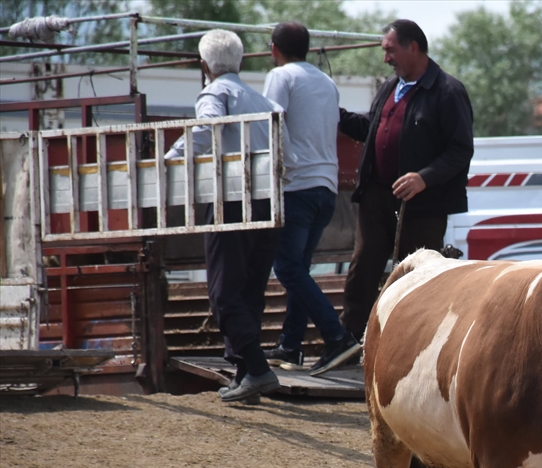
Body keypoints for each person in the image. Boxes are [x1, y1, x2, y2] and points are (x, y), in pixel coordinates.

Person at [337, 18, 474, 344]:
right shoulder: (389, 87)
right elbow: (371, 128)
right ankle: (349, 340)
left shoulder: (448, 91)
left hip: (422, 204)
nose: (386, 58)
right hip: (376, 198)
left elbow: (460, 150)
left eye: (390, 50)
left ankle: (414, 345)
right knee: (363, 269)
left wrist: (423, 178)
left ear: (413, 47)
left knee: (418, 275)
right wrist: (333, 113)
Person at [165, 29, 283, 403]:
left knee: (222, 294)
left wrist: (168, 161)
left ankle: (258, 370)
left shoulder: (215, 93)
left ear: (204, 66)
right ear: (242, 61)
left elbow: (206, 131)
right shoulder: (263, 101)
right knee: (249, 292)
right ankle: (246, 376)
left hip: (232, 202)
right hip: (268, 202)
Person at [261, 21, 360, 377]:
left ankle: (337, 338)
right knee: (298, 269)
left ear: (274, 48)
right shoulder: (325, 82)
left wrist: (281, 169)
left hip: (297, 186)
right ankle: (290, 345)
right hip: (326, 189)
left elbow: (273, 122)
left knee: (286, 268)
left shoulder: (281, 77)